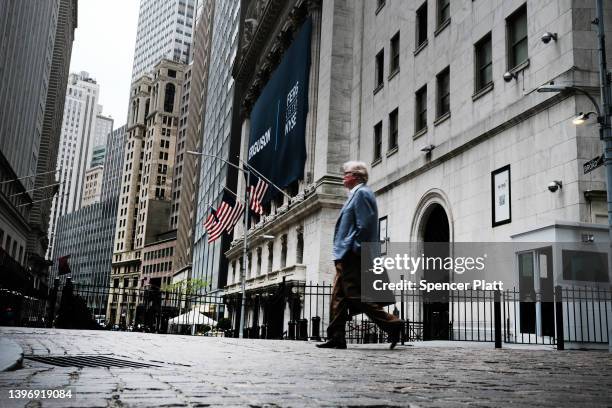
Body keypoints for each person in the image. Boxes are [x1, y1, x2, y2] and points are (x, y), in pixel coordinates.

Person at [317, 161, 403, 350]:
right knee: (338, 297)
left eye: (346, 173)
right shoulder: (355, 194)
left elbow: (365, 225)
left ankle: (392, 323)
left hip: (351, 255)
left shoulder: (363, 193)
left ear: (356, 176)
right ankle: (337, 336)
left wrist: (353, 250)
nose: (343, 176)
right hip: (344, 254)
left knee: (355, 295)